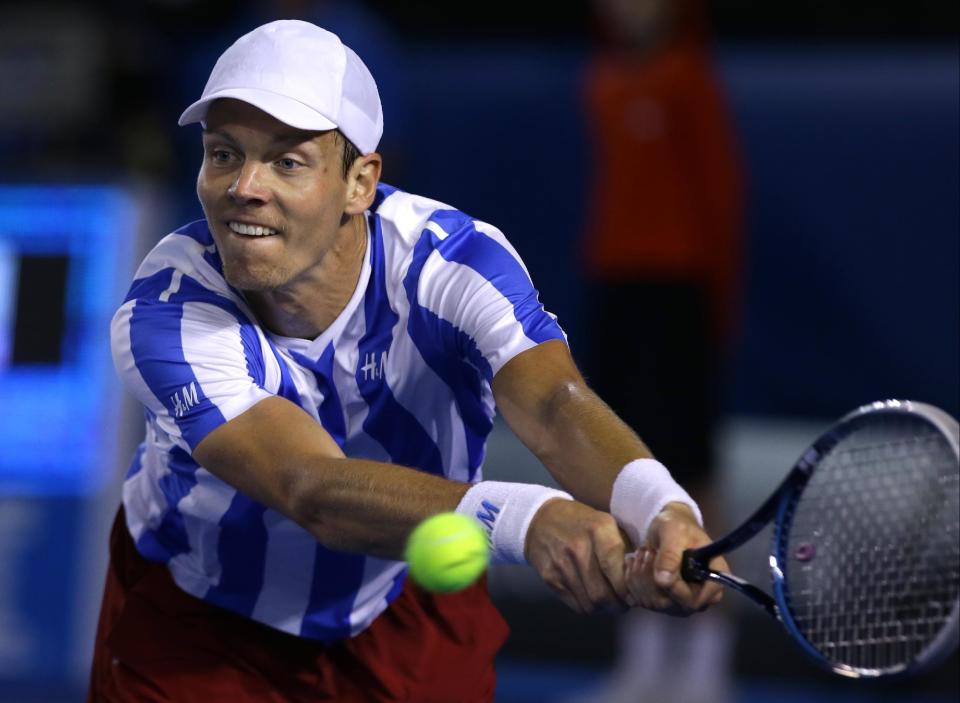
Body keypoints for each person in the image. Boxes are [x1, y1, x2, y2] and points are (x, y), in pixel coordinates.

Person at [88, 19, 727, 703]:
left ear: (360, 181)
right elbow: (311, 486)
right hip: (197, 620)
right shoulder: (167, 308)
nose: (244, 185)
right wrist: (528, 518)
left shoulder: (456, 263)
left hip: (407, 608)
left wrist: (659, 505)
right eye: (222, 154)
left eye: (287, 161)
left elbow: (551, 402)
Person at [576, 1, 744, 701]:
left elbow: (723, 200)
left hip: (678, 299)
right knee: (622, 471)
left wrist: (716, 310)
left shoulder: (691, 81)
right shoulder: (602, 80)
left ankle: (706, 664)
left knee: (692, 478)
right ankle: (641, 660)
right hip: (617, 292)